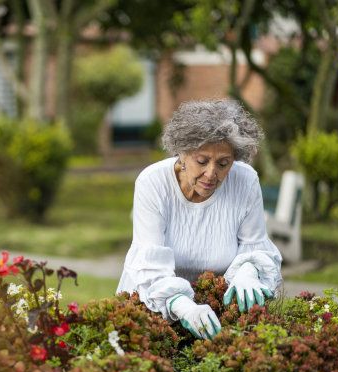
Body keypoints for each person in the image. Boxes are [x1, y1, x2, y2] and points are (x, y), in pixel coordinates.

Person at [117, 99, 282, 340]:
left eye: (223, 164)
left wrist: (248, 270)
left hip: (217, 313)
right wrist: (182, 305)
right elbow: (149, 266)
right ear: (182, 153)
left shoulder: (245, 181)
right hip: (153, 309)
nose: (211, 173)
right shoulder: (152, 183)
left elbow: (255, 246)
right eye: (202, 161)